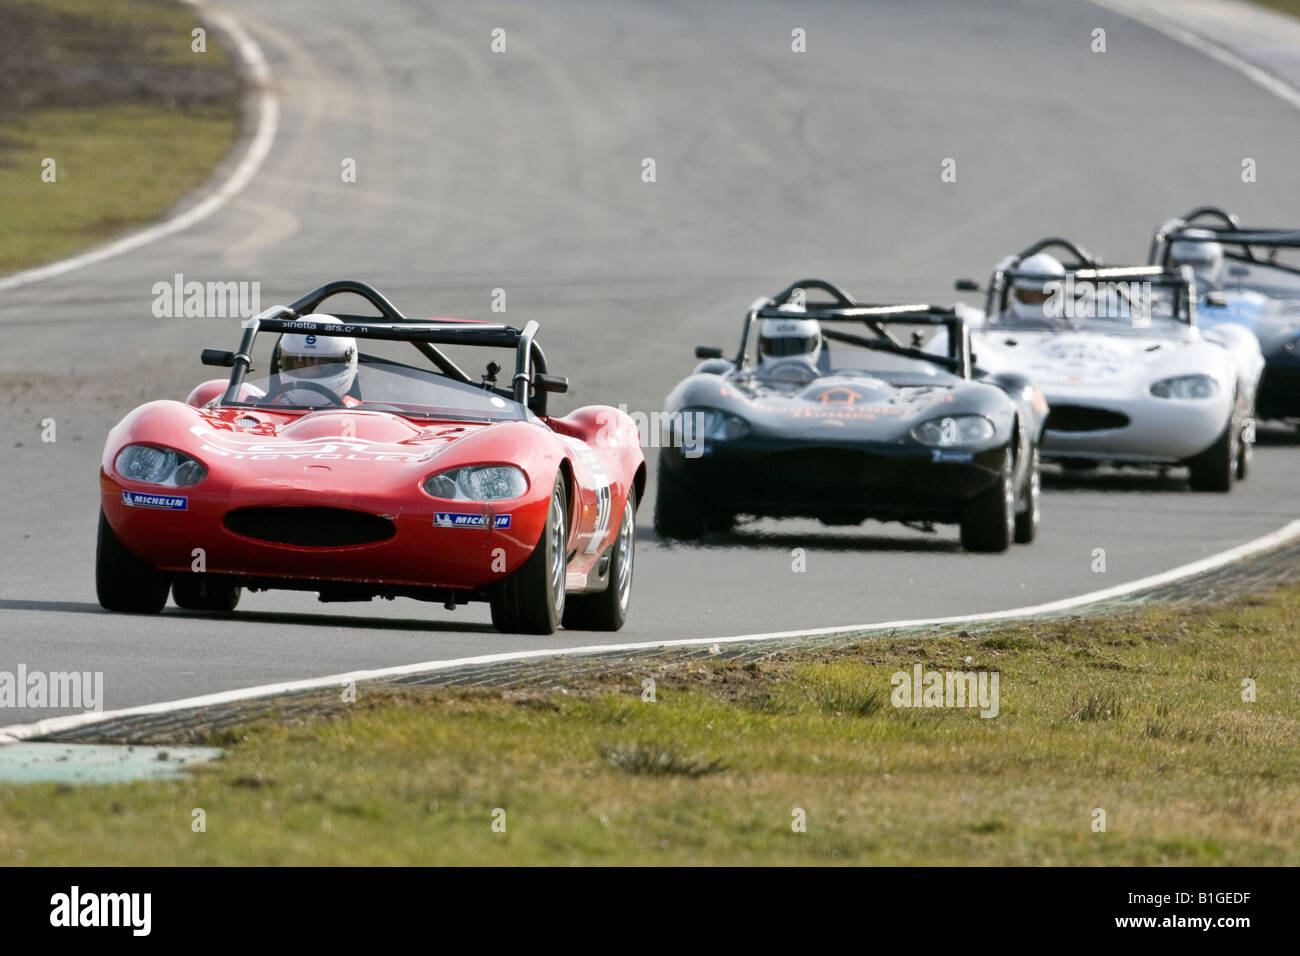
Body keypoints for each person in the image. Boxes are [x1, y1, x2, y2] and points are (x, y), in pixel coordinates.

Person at [272, 314, 359, 405]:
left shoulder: (359, 415)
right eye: (302, 364)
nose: (310, 372)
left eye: (320, 365)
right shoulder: (267, 407)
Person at [1005, 252, 1066, 324]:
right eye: (1030, 296)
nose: (1035, 300)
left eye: (1042, 296)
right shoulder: (996, 329)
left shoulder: (1075, 332)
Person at [758, 301, 823, 366]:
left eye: (795, 347)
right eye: (778, 348)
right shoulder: (750, 376)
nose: (788, 358)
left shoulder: (831, 376)